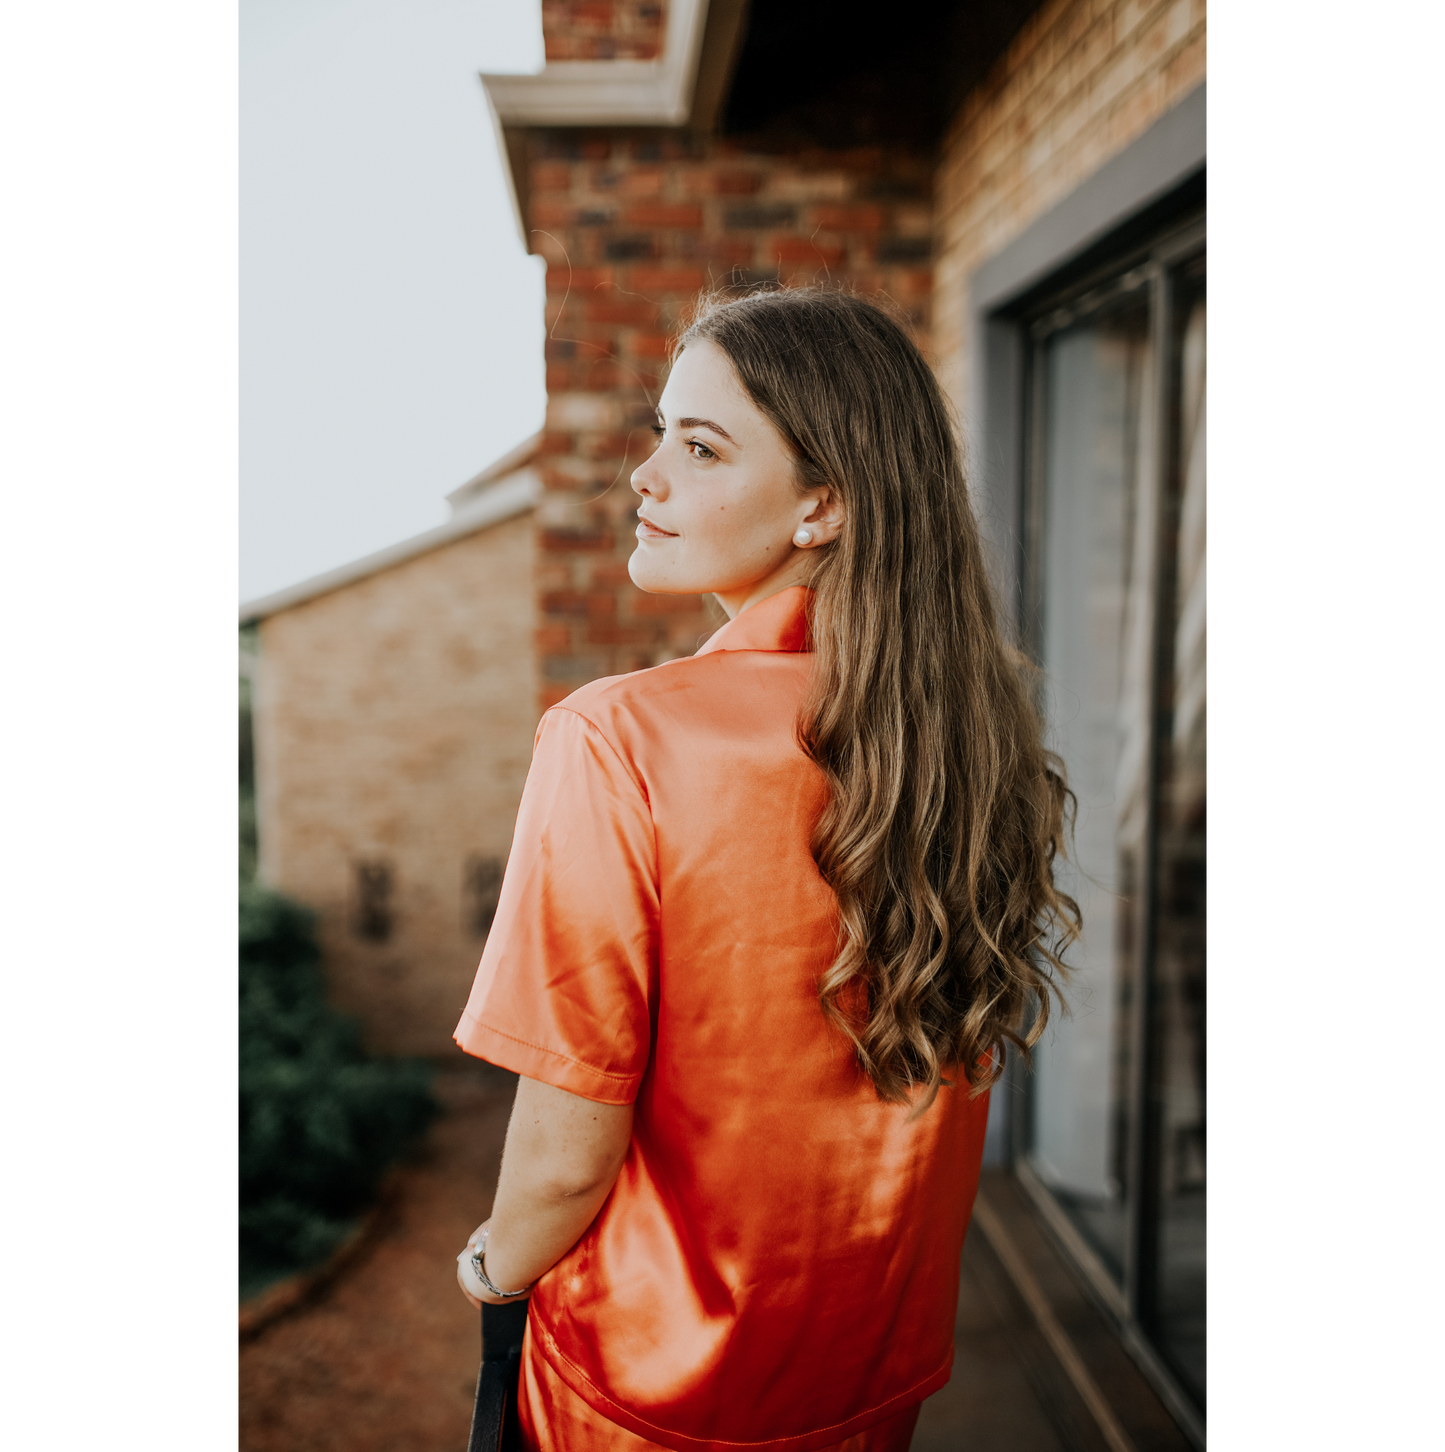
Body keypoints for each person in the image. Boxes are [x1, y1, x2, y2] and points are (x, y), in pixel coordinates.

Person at [454, 288, 1077, 1451]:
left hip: (650, 1394)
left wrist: (492, 1269)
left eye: (698, 447)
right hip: (871, 1374)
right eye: (659, 434)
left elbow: (562, 1153)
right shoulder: (972, 729)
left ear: (823, 505)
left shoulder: (616, 737)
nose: (644, 477)